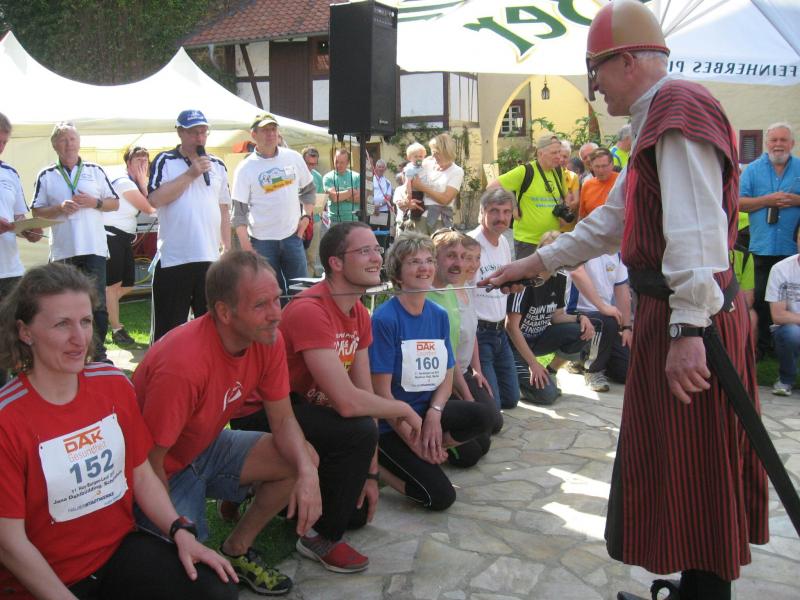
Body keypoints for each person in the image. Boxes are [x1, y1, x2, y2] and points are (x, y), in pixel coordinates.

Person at [482, 2, 767, 598]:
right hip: (680, 314)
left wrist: (688, 331)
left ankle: (706, 594)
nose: (594, 89)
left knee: (697, 463)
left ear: (628, 61)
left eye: (596, 71)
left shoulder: (678, 111)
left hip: (693, 318)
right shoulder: (654, 121)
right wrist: (534, 264)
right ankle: (695, 587)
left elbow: (697, 232)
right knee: (681, 462)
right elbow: (612, 222)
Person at [0, 263, 237, 600]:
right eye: (61, 324)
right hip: (43, 581)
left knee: (216, 591)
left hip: (116, 554)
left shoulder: (113, 386)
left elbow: (141, 474)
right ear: (26, 332)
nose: (79, 338)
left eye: (85, 321)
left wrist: (179, 530)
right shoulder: (8, 419)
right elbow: (9, 543)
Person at [229, 222, 423, 574]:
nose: (376, 257)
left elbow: (363, 395)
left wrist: (371, 474)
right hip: (262, 414)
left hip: (301, 410)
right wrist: (403, 408)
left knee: (356, 515)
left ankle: (255, 491)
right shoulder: (311, 309)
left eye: (377, 249)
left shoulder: (359, 314)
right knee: (357, 431)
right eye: (364, 251)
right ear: (335, 262)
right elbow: (348, 403)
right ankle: (318, 538)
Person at [133, 250, 322, 596]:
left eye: (277, 300)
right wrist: (175, 525)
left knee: (302, 457)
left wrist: (309, 472)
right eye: (261, 305)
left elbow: (283, 420)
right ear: (224, 312)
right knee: (197, 580)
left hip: (202, 447)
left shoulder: (267, 338)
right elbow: (149, 461)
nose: (277, 314)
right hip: (157, 471)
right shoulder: (183, 365)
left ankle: (237, 548)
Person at [370, 233, 493, 510]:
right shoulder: (384, 319)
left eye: (428, 260)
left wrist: (435, 414)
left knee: (483, 421)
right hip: (392, 421)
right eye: (414, 262)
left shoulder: (438, 314)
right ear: (398, 274)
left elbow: (447, 376)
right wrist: (414, 440)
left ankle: (433, 448)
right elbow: (381, 394)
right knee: (440, 498)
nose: (424, 267)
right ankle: (381, 470)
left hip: (427, 411)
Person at [31, 121, 119, 363]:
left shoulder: (95, 170)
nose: (68, 144)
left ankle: (98, 354)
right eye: (63, 140)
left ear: (79, 142)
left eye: (72, 139)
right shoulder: (46, 175)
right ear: (54, 145)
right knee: (63, 305)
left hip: (93, 247)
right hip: (63, 251)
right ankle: (69, 352)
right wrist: (58, 208)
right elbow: (36, 211)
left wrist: (95, 203)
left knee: (96, 303)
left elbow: (114, 203)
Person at [147, 109, 232, 341]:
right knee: (169, 331)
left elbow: (224, 209)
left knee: (212, 329)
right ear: (180, 133)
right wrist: (190, 174)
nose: (200, 137)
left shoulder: (218, 164)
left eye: (203, 132)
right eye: (194, 132)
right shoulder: (165, 161)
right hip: (175, 258)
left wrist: (227, 248)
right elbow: (154, 200)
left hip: (210, 258)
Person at [428, 228, 502, 465]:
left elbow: (467, 337)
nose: (461, 264)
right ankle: (428, 443)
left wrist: (476, 371)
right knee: (471, 453)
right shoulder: (429, 298)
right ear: (435, 258)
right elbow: (447, 357)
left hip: (455, 374)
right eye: (452, 256)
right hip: (436, 383)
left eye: (464, 257)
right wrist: (467, 396)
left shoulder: (451, 291)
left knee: (487, 432)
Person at [506, 231, 594, 405]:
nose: (552, 258)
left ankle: (551, 371)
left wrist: (580, 318)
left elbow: (557, 316)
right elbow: (511, 327)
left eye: (558, 253)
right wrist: (533, 364)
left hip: (538, 339)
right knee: (547, 395)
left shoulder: (559, 277)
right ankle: (514, 383)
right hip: (514, 345)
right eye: (548, 252)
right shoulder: (525, 280)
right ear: (539, 252)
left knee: (584, 329)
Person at [232, 113, 314, 295]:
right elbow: (238, 213)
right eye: (265, 130)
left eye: (273, 129)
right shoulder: (245, 168)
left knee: (301, 293)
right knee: (269, 294)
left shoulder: (293, 158)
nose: (270, 134)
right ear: (254, 135)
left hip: (293, 237)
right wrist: (247, 248)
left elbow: (309, 190)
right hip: (262, 242)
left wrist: (306, 217)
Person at [740, 123, 800, 357]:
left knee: (791, 299)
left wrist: (796, 200)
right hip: (761, 247)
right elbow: (737, 202)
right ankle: (764, 345)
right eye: (774, 140)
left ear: (792, 144)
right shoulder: (752, 170)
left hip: (791, 249)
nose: (778, 145)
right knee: (762, 299)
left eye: (783, 140)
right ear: (766, 143)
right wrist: (767, 200)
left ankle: (785, 345)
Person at [0, 112, 42, 386]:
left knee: (11, 338)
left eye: (4, 142)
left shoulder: (10, 173)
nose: (1, 147)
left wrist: (30, 230)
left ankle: (12, 395)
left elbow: (18, 217)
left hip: (10, 270)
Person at [469, 187, 520, 410]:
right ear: (482, 212)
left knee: (511, 400)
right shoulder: (469, 244)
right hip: (479, 333)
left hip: (500, 332)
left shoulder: (505, 242)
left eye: (507, 212)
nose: (501, 217)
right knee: (493, 410)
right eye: (495, 211)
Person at [104, 145, 156, 346]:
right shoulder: (125, 182)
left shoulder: (133, 183)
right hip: (111, 236)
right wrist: (143, 184)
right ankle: (117, 329)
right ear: (128, 163)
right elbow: (150, 207)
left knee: (127, 285)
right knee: (113, 286)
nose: (143, 164)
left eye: (145, 160)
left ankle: (100, 308)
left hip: (123, 238)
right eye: (138, 160)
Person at [489, 134, 571, 259]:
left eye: (559, 152)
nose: (559, 157)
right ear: (540, 153)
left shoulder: (558, 172)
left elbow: (566, 196)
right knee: (527, 273)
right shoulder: (525, 171)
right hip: (528, 242)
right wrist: (513, 206)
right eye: (554, 153)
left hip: (552, 240)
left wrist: (564, 211)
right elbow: (491, 187)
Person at [565, 253, 632, 391]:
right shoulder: (583, 245)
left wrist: (626, 327)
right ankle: (592, 370)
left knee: (626, 371)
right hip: (577, 314)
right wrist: (603, 307)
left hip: (604, 316)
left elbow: (621, 288)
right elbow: (576, 272)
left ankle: (582, 359)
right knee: (607, 321)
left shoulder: (618, 253)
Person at [765, 221, 800, 396]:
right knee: (791, 334)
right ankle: (786, 380)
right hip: (790, 328)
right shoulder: (781, 269)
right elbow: (777, 316)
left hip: (794, 320)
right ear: (796, 238)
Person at [408, 133, 464, 235]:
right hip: (419, 216)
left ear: (446, 152)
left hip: (439, 220)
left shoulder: (457, 171)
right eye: (432, 152)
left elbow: (445, 199)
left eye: (436, 153)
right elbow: (409, 175)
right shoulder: (427, 163)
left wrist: (422, 187)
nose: (433, 156)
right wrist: (407, 201)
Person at [302, 146, 325, 277]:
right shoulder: (295, 175)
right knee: (298, 257)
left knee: (311, 257)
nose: (311, 167)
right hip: (297, 221)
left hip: (314, 221)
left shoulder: (317, 176)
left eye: (314, 164)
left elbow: (321, 198)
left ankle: (308, 283)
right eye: (308, 163)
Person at [579, 148, 619, 219]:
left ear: (612, 164)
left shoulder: (621, 181)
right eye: (597, 166)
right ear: (591, 166)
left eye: (604, 166)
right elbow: (582, 216)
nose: (601, 170)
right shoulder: (587, 185)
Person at [324, 148, 360, 224]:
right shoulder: (328, 177)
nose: (338, 165)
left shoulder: (356, 176)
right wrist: (351, 192)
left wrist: (341, 195)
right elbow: (334, 197)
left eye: (342, 162)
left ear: (348, 162)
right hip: (335, 221)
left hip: (353, 220)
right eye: (336, 162)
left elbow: (360, 198)